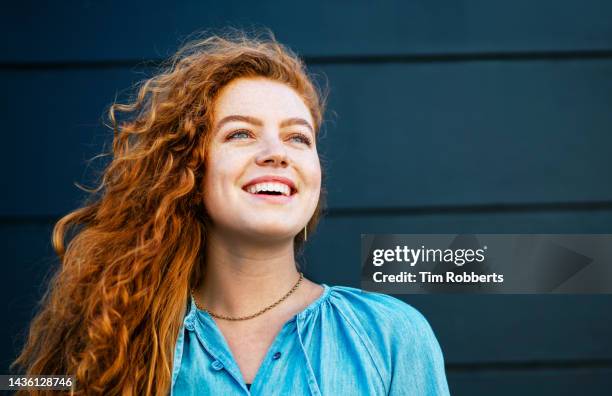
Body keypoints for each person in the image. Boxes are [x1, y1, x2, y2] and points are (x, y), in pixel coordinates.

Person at [12, 31, 450, 395]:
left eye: (298, 138)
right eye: (241, 133)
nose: (277, 153)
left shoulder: (392, 336)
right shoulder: (113, 335)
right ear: (189, 168)